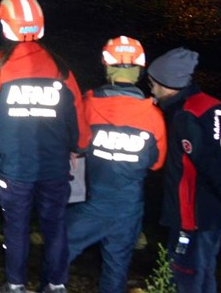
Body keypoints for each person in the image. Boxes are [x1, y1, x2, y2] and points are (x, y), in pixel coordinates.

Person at [0, 0, 89, 293]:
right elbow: (78, 117)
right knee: (55, 226)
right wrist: (78, 148)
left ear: (5, 27)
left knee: (17, 229)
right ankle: (56, 285)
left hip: (14, 167)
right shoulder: (61, 68)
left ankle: (15, 286)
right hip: (54, 167)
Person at [66, 36, 167, 293]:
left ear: (106, 65)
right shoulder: (153, 116)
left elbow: (75, 146)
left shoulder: (88, 105)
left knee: (60, 253)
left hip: (89, 203)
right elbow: (156, 163)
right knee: (117, 266)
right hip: (128, 207)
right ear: (140, 70)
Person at [148, 47, 221, 293]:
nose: (150, 87)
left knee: (185, 274)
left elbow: (206, 164)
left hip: (194, 214)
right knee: (204, 269)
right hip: (220, 213)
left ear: (167, 83)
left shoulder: (184, 117)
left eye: (152, 82)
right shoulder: (214, 106)